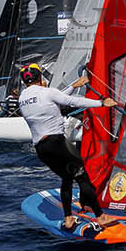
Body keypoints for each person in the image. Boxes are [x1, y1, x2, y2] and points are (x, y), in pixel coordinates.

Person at [17, 61, 115, 225]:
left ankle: (68, 217)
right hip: (57, 143)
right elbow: (71, 101)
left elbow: (56, 98)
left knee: (66, 177)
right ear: (40, 77)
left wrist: (73, 85)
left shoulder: (23, 98)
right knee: (82, 178)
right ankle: (101, 216)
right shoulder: (47, 92)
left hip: (41, 149)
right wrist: (101, 103)